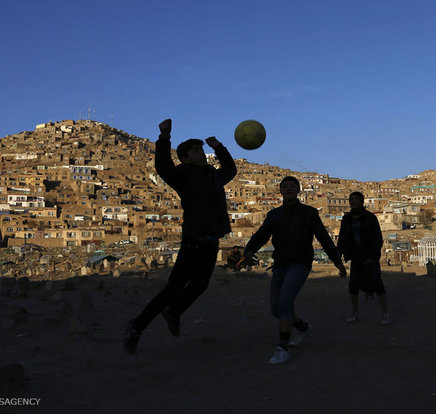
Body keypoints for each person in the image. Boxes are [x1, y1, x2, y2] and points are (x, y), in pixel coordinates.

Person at [123, 119, 237, 353]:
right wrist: (164, 137)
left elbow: (231, 170)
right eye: (197, 151)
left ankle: (173, 312)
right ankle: (136, 326)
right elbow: (163, 167)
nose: (202, 154)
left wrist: (219, 147)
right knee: (173, 289)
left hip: (212, 240)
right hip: (194, 239)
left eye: (202, 150)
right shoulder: (183, 175)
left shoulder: (213, 176)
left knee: (200, 285)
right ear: (184, 158)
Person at [244, 176, 346, 365]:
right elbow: (261, 234)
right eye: (285, 186)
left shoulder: (309, 213)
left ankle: (282, 348)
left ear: (299, 190)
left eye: (292, 186)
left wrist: (337, 262)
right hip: (281, 263)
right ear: (280, 191)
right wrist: (249, 250)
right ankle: (303, 327)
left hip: (300, 263)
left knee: (285, 301)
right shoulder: (274, 215)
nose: (289, 188)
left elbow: (324, 238)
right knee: (276, 309)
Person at [337, 191, 391, 325]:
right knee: (353, 285)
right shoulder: (347, 219)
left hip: (370, 257)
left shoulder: (370, 218)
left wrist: (373, 257)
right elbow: (343, 238)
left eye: (356, 199)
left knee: (377, 283)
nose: (353, 202)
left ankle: (385, 314)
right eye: (351, 200)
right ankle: (355, 313)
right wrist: (340, 254)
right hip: (355, 258)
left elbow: (377, 239)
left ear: (361, 202)